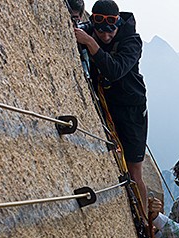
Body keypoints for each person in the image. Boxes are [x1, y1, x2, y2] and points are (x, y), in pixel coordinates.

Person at [74, 0, 149, 212]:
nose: (106, 37)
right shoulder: (91, 30)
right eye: (101, 33)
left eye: (110, 33)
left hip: (132, 109)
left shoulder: (132, 41)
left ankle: (143, 218)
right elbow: (82, 29)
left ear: (117, 24)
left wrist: (92, 43)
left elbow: (115, 70)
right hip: (108, 103)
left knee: (135, 171)